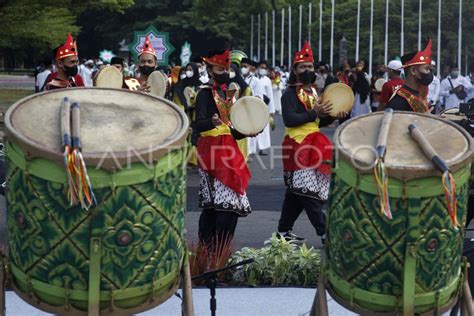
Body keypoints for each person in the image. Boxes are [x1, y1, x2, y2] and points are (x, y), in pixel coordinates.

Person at [277, 41, 347, 243]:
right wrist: (314, 112)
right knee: (308, 193)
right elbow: (290, 120)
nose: (307, 70)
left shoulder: (314, 92)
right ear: (295, 70)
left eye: (309, 67)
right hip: (297, 145)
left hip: (314, 143)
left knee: (297, 192)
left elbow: (318, 121)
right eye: (302, 67)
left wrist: (333, 116)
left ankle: (283, 232)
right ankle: (324, 232)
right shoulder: (289, 93)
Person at [194, 49, 252, 245]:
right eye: (220, 68)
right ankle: (208, 254)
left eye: (227, 68)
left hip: (228, 150)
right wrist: (211, 121)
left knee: (229, 206)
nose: (225, 72)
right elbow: (198, 124)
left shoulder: (228, 94)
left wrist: (246, 131)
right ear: (210, 70)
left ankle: (221, 254)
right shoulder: (203, 93)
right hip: (210, 150)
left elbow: (231, 129)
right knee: (212, 208)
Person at [386, 39, 434, 113]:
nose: (429, 73)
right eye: (427, 69)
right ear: (414, 71)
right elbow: (395, 124)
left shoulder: (420, 94)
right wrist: (424, 119)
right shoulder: (399, 101)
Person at [251, 60, 275, 156]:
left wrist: (271, 110)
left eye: (265, 68)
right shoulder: (252, 79)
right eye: (261, 67)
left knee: (264, 128)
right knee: (252, 127)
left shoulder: (267, 80)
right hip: (253, 105)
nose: (262, 69)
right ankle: (251, 149)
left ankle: (263, 148)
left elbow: (270, 95)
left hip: (264, 106)